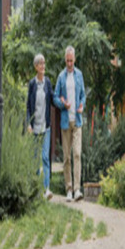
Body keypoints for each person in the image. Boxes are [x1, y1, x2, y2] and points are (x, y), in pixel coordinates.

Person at [53, 45, 85, 202]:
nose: (70, 63)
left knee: (77, 154)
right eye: (67, 61)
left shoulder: (79, 75)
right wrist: (62, 103)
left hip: (77, 121)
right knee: (66, 157)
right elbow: (55, 97)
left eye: (71, 61)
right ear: (65, 60)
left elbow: (83, 95)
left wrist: (81, 105)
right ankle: (69, 190)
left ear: (75, 59)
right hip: (66, 122)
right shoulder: (61, 77)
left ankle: (78, 189)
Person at [26, 53, 54, 200]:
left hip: (46, 126)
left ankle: (46, 189)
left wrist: (63, 103)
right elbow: (28, 107)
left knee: (45, 157)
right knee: (35, 158)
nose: (43, 66)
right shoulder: (32, 84)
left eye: (44, 63)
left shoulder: (48, 82)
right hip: (34, 127)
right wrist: (28, 124)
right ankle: (36, 189)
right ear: (36, 67)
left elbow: (53, 98)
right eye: (40, 64)